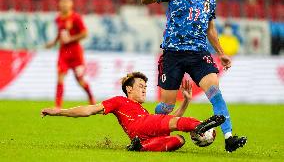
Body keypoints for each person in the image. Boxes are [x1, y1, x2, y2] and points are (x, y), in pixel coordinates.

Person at [141, 0, 246, 152]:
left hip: (198, 54)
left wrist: (221, 53)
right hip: (172, 54)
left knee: (215, 91)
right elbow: (145, 0)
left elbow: (210, 29)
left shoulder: (210, 1)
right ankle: (150, 130)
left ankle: (229, 138)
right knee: (166, 106)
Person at [41, 72, 225, 152]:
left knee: (179, 140)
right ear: (129, 89)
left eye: (145, 87)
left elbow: (169, 120)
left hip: (143, 137)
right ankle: (200, 126)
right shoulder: (119, 101)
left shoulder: (142, 109)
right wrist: (58, 112)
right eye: (140, 86)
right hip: (139, 125)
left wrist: (185, 101)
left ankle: (141, 148)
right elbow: (89, 109)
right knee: (171, 123)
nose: (144, 90)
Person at [45, 0, 95, 109]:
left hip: (76, 54)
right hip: (63, 53)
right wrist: (53, 42)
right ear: (59, 3)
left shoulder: (76, 18)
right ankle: (58, 106)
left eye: (67, 2)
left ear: (72, 4)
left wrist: (71, 39)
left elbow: (85, 33)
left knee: (80, 81)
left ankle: (91, 98)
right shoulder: (58, 18)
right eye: (63, 2)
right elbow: (61, 33)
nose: (64, 4)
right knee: (60, 77)